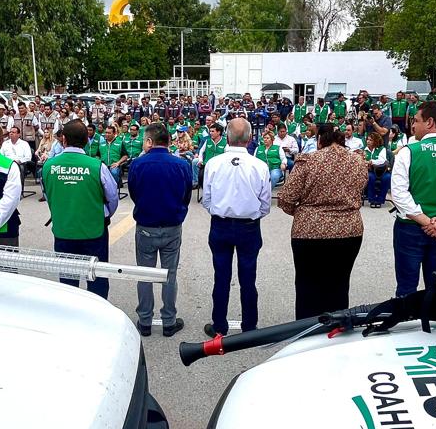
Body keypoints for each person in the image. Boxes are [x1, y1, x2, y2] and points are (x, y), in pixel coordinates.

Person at [277, 123, 368, 319]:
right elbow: (360, 189)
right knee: (339, 284)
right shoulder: (358, 162)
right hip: (348, 230)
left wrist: (304, 213)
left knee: (307, 286)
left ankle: (307, 333)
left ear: (320, 141)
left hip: (309, 231)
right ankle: (336, 329)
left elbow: (286, 198)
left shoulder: (308, 161)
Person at [201, 118, 271, 337]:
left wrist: (221, 211)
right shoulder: (259, 165)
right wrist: (250, 213)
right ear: (250, 138)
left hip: (221, 225)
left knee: (221, 276)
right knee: (248, 278)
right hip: (249, 227)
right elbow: (265, 203)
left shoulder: (214, 163)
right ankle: (249, 326)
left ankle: (219, 325)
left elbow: (207, 199)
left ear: (227, 137)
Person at [128, 123, 195, 337]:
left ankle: (145, 321)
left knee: (145, 274)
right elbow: (186, 195)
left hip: (146, 225)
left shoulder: (137, 164)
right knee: (169, 274)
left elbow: (134, 192)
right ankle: (169, 321)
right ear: (168, 141)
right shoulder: (181, 164)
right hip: (171, 225)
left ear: (149, 141)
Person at [391, 101, 436, 297]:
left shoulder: (409, 151)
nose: (413, 125)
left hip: (410, 228)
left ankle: (406, 324)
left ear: (429, 122)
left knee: (406, 289)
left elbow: (399, 194)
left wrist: (425, 220)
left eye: (416, 121)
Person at [43, 120, 119, 298]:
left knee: (68, 280)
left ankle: (72, 316)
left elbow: (48, 195)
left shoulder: (48, 166)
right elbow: (113, 197)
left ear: (63, 139)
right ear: (87, 140)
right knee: (97, 276)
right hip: (94, 229)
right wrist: (104, 214)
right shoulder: (97, 166)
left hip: (63, 229)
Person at [364, 131, 391, 208]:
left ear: (376, 141)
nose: (368, 141)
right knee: (370, 177)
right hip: (370, 171)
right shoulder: (364, 150)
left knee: (387, 177)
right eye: (367, 139)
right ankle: (372, 199)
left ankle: (380, 200)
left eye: (371, 140)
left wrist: (371, 161)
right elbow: (361, 161)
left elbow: (382, 160)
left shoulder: (382, 149)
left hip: (382, 171)